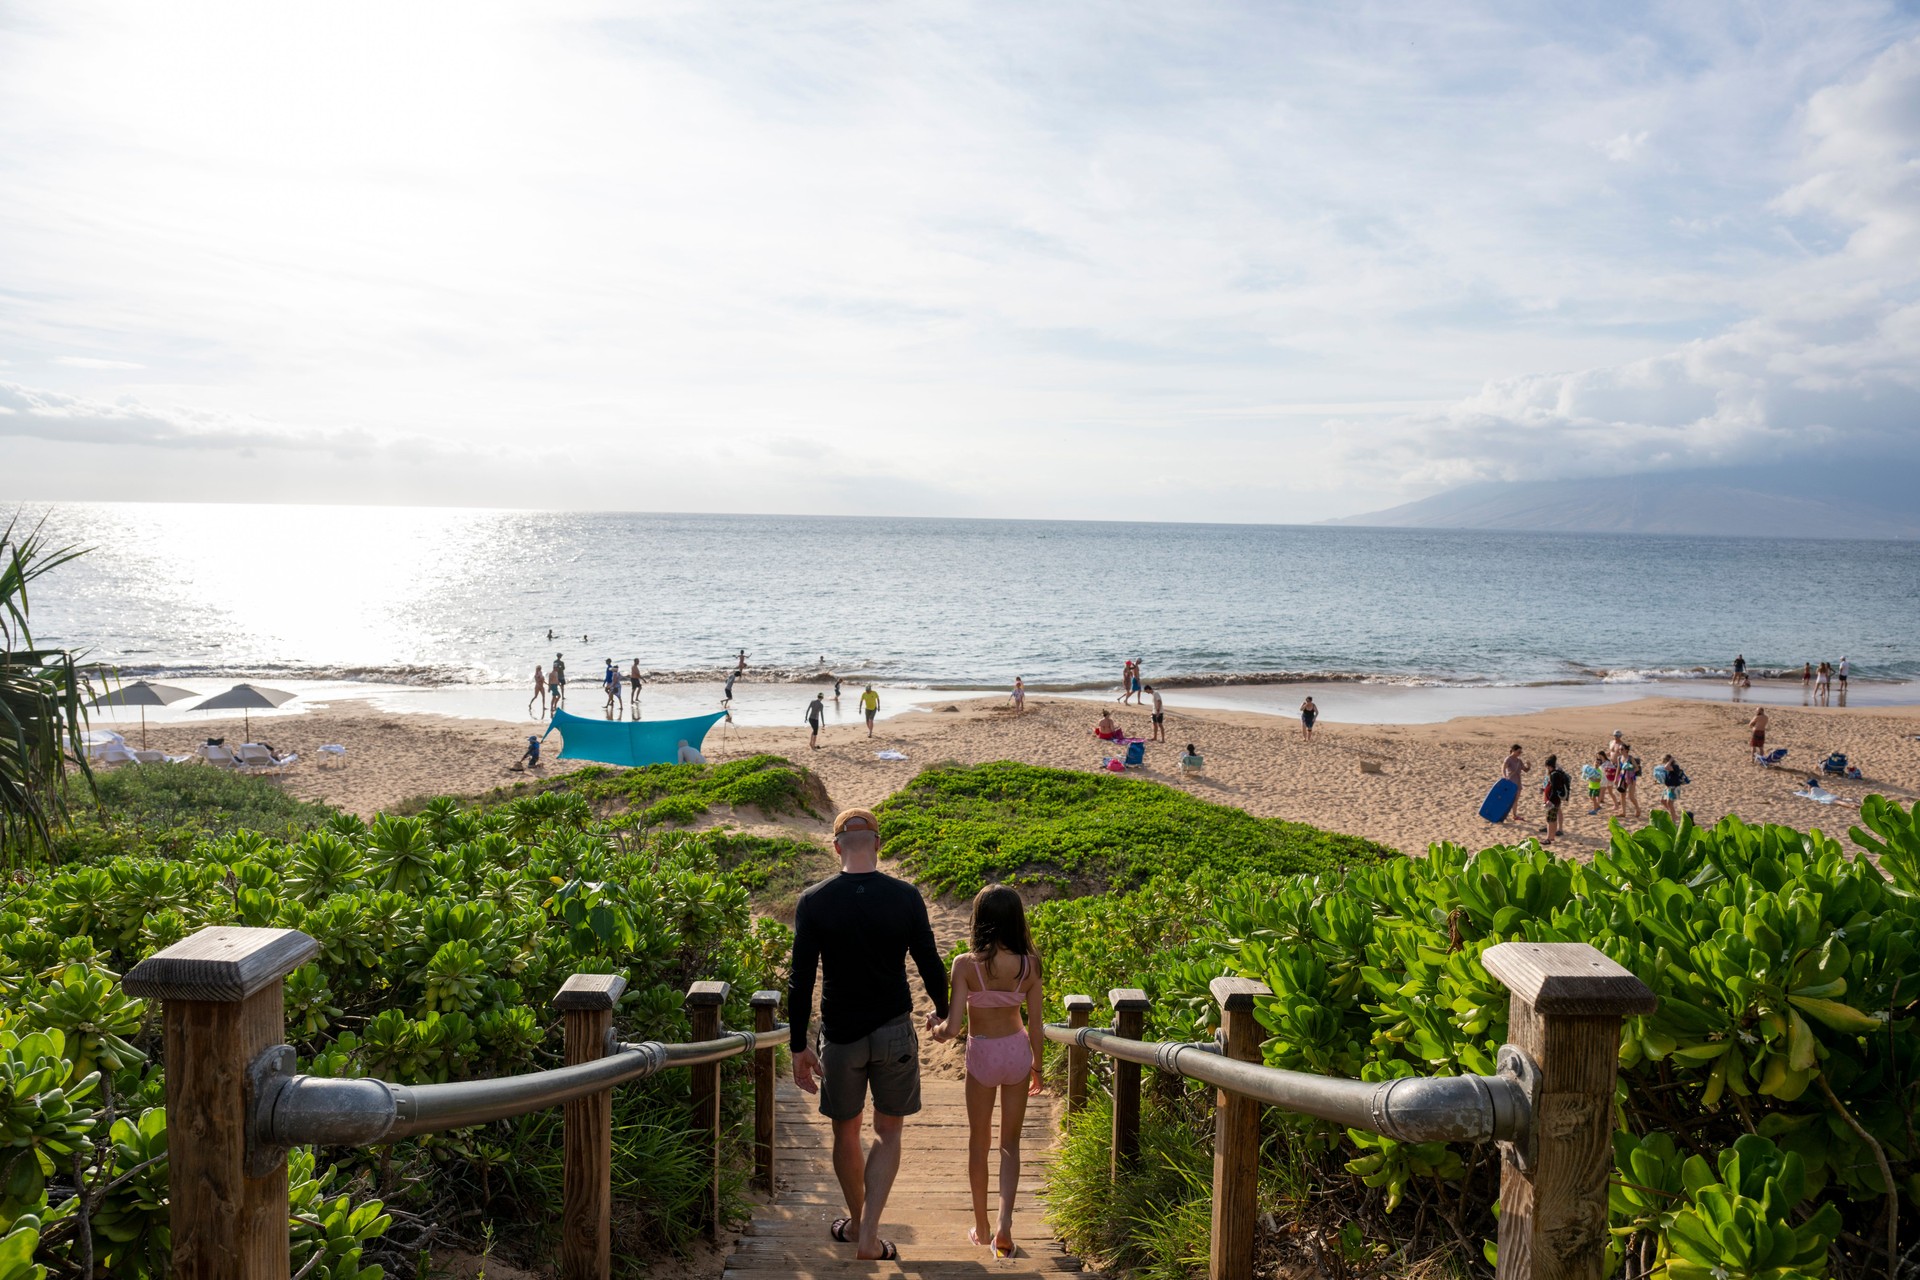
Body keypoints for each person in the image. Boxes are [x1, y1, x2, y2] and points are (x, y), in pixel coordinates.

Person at [789, 809, 950, 1262]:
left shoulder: (814, 901)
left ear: (837, 846)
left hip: (840, 1035)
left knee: (846, 1133)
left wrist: (798, 1045)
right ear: (878, 844)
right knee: (887, 1131)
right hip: (894, 1030)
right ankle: (869, 1235)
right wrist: (943, 1013)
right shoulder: (905, 897)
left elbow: (800, 980)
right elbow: (929, 963)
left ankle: (857, 1221)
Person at [928, 885, 1045, 1258]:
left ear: (979, 920)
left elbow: (953, 1029)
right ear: (1017, 920)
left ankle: (981, 1227)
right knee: (1010, 1144)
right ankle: (1005, 1225)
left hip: (983, 1055)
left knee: (979, 1141)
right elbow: (1037, 1025)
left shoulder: (965, 964)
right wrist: (1037, 1067)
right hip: (1016, 1051)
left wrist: (934, 1028)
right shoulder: (1030, 964)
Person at [1540, 754, 1570, 845]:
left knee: (1550, 820)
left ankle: (1549, 838)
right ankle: (1551, 837)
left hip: (1553, 801)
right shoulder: (1558, 773)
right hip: (1556, 801)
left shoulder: (1554, 775)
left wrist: (1550, 801)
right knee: (1553, 819)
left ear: (1549, 766)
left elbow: (1554, 789)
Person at [1655, 753, 1689, 820]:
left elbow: (1666, 767)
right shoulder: (1668, 768)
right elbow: (1667, 776)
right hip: (1668, 787)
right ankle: (1673, 814)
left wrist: (1670, 760)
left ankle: (1673, 818)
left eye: (1664, 761)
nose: (1663, 763)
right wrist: (1658, 781)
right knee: (1663, 801)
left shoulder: (1675, 767)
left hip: (1674, 787)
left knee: (1669, 803)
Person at [1502, 745, 1530, 822]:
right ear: (1513, 750)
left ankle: (1514, 815)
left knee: (1515, 800)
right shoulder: (1508, 759)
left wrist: (1529, 766)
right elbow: (1503, 768)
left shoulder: (1519, 761)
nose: (1520, 753)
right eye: (1519, 751)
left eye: (1521, 752)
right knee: (1507, 799)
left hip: (1518, 782)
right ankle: (1502, 814)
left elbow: (1525, 770)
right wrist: (1504, 777)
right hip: (1510, 782)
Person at [1618, 745, 1643, 820]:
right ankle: (1623, 812)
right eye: (1619, 749)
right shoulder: (1619, 758)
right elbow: (1618, 768)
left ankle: (1638, 809)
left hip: (1631, 778)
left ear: (1626, 750)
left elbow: (1637, 768)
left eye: (1622, 749)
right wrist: (1616, 778)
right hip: (1622, 777)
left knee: (1631, 796)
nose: (1620, 750)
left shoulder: (1630, 758)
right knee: (1622, 794)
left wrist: (1629, 771)